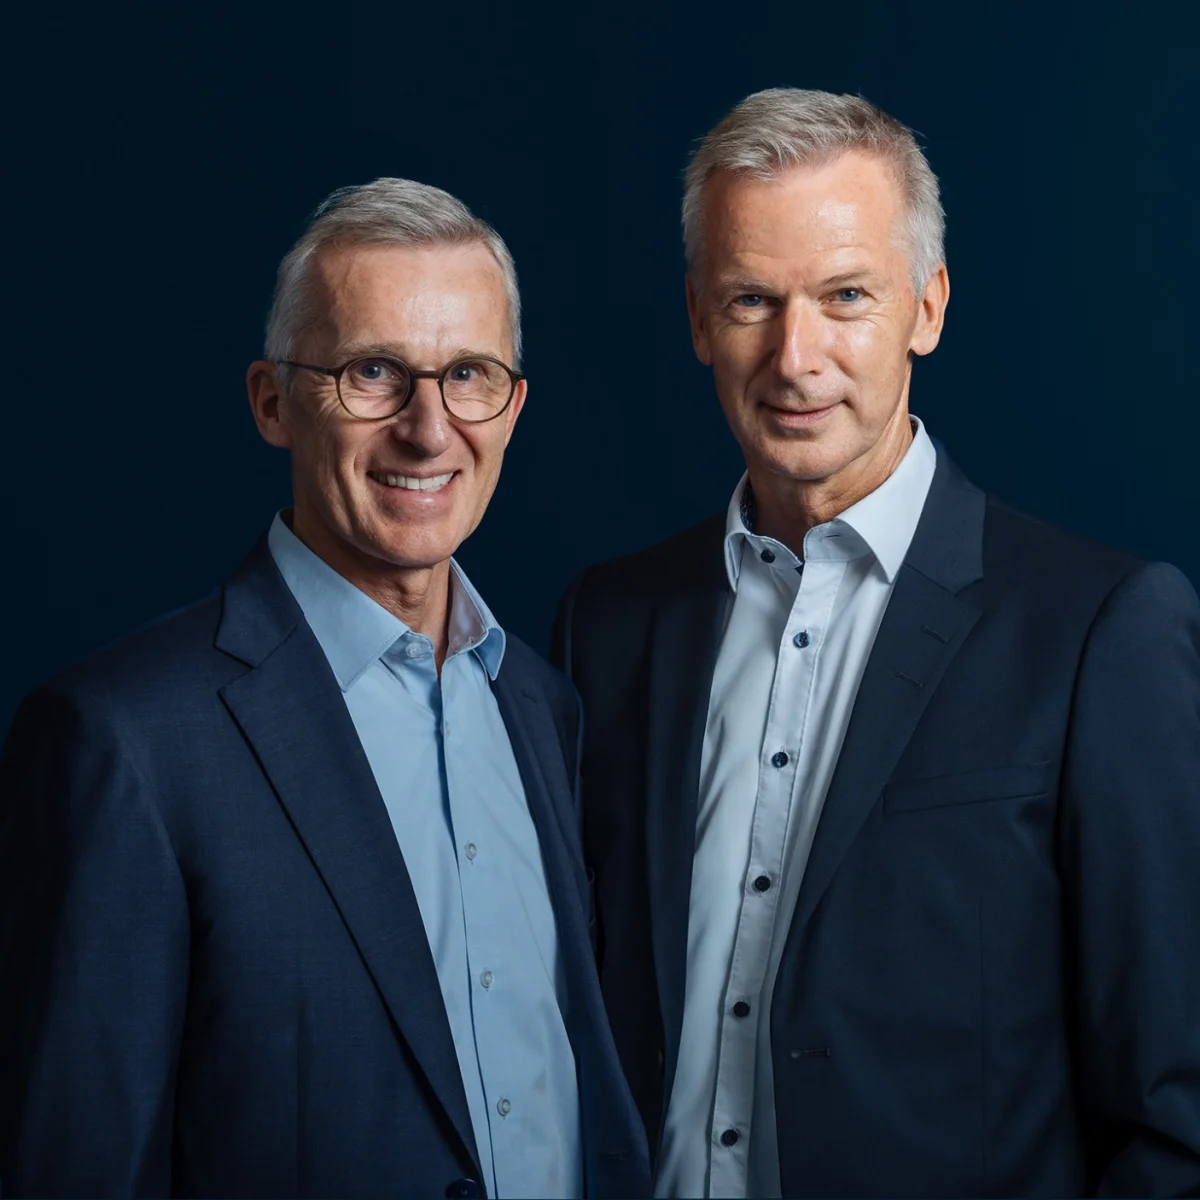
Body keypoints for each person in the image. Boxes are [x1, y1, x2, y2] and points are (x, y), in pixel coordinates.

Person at [551, 88, 1200, 1198]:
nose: (796, 358)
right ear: (700, 320)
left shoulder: (1101, 631)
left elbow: (1175, 1116)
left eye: (846, 296)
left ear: (927, 307)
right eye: (752, 299)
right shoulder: (606, 626)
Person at [0, 178, 650, 1200]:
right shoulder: (123, 743)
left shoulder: (540, 705)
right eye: (373, 372)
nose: (429, 430)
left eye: (469, 375)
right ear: (272, 401)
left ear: (513, 407)